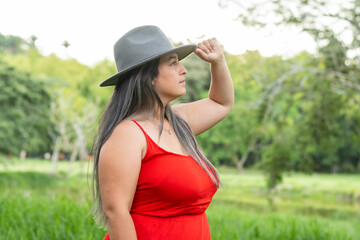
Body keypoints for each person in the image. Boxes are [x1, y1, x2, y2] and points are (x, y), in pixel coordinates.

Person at [91, 25, 234, 240]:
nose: (183, 69)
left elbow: (221, 103)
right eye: (173, 62)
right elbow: (116, 212)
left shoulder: (178, 122)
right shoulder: (128, 134)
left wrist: (218, 62)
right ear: (149, 77)